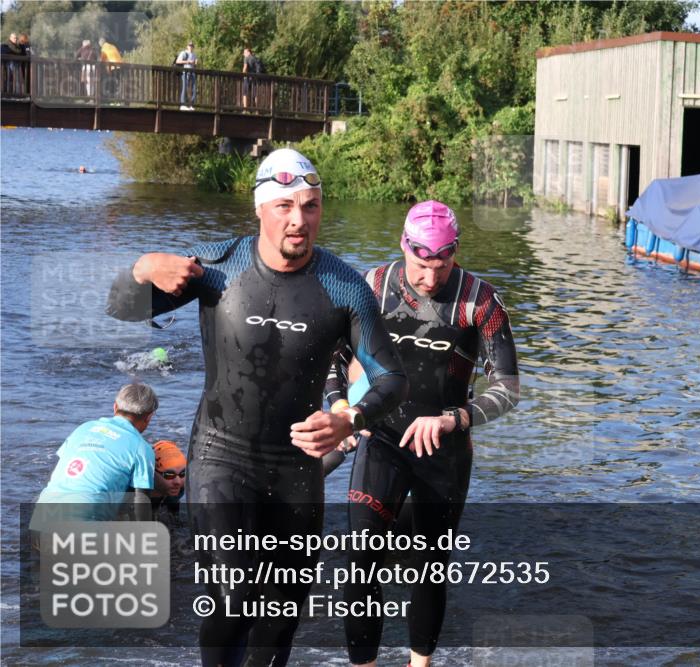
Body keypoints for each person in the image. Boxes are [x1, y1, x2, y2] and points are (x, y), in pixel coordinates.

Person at [106, 148, 408, 667]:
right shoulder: (216, 267)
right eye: (286, 205)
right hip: (221, 456)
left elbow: (391, 378)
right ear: (260, 208)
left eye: (311, 206)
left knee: (280, 618)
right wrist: (141, 268)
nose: (299, 220)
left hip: (295, 470)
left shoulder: (344, 287)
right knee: (232, 598)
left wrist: (347, 419)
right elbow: (119, 307)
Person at [322, 200, 520, 667]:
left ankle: (420, 664)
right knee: (361, 559)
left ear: (454, 253)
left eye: (442, 266)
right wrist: (342, 407)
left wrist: (453, 418)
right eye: (420, 266)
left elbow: (508, 390)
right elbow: (331, 356)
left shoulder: (480, 301)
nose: (430, 279)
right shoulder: (372, 287)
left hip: (444, 449)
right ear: (403, 248)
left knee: (427, 569)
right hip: (381, 437)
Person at [30, 383, 158, 529]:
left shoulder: (83, 428)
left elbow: (53, 476)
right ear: (149, 417)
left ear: (115, 407)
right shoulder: (141, 448)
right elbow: (141, 500)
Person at [175, 41, 197, 109]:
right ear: (187, 46)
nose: (191, 47)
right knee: (184, 87)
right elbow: (178, 61)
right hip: (185, 72)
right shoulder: (183, 53)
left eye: (192, 46)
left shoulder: (194, 55)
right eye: (189, 45)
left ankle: (191, 104)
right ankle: (183, 104)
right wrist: (188, 62)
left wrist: (195, 63)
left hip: (192, 72)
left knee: (194, 88)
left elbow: (195, 63)